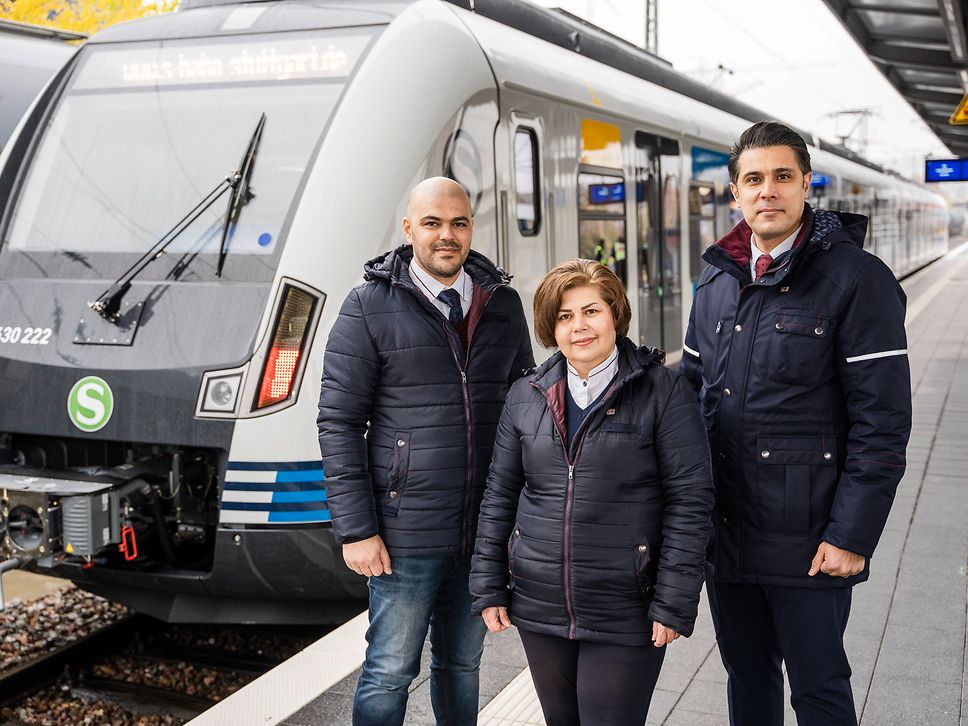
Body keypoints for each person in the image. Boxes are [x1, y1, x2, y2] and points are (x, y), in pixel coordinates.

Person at [679, 121, 912, 726]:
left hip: (811, 540)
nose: (768, 191)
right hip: (726, 536)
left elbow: (882, 422)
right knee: (748, 683)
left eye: (783, 177)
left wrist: (852, 535)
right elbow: (689, 399)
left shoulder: (857, 281)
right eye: (753, 180)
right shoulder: (714, 283)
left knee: (819, 689)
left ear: (807, 184)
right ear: (734, 193)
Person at [317, 177, 534, 726]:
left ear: (471, 229)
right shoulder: (368, 306)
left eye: (458, 223)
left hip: (482, 530)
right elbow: (339, 422)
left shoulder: (503, 304)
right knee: (389, 670)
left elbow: (525, 414)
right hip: (402, 533)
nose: (447, 235)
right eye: (433, 223)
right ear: (409, 228)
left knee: (462, 664)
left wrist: (522, 517)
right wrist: (356, 529)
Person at [470, 259, 714, 726]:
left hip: (627, 605)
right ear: (551, 327)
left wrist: (673, 600)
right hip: (541, 604)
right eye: (565, 316)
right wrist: (488, 586)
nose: (579, 326)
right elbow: (500, 493)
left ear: (615, 315)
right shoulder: (526, 395)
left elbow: (691, 500)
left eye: (591, 311)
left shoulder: (663, 391)